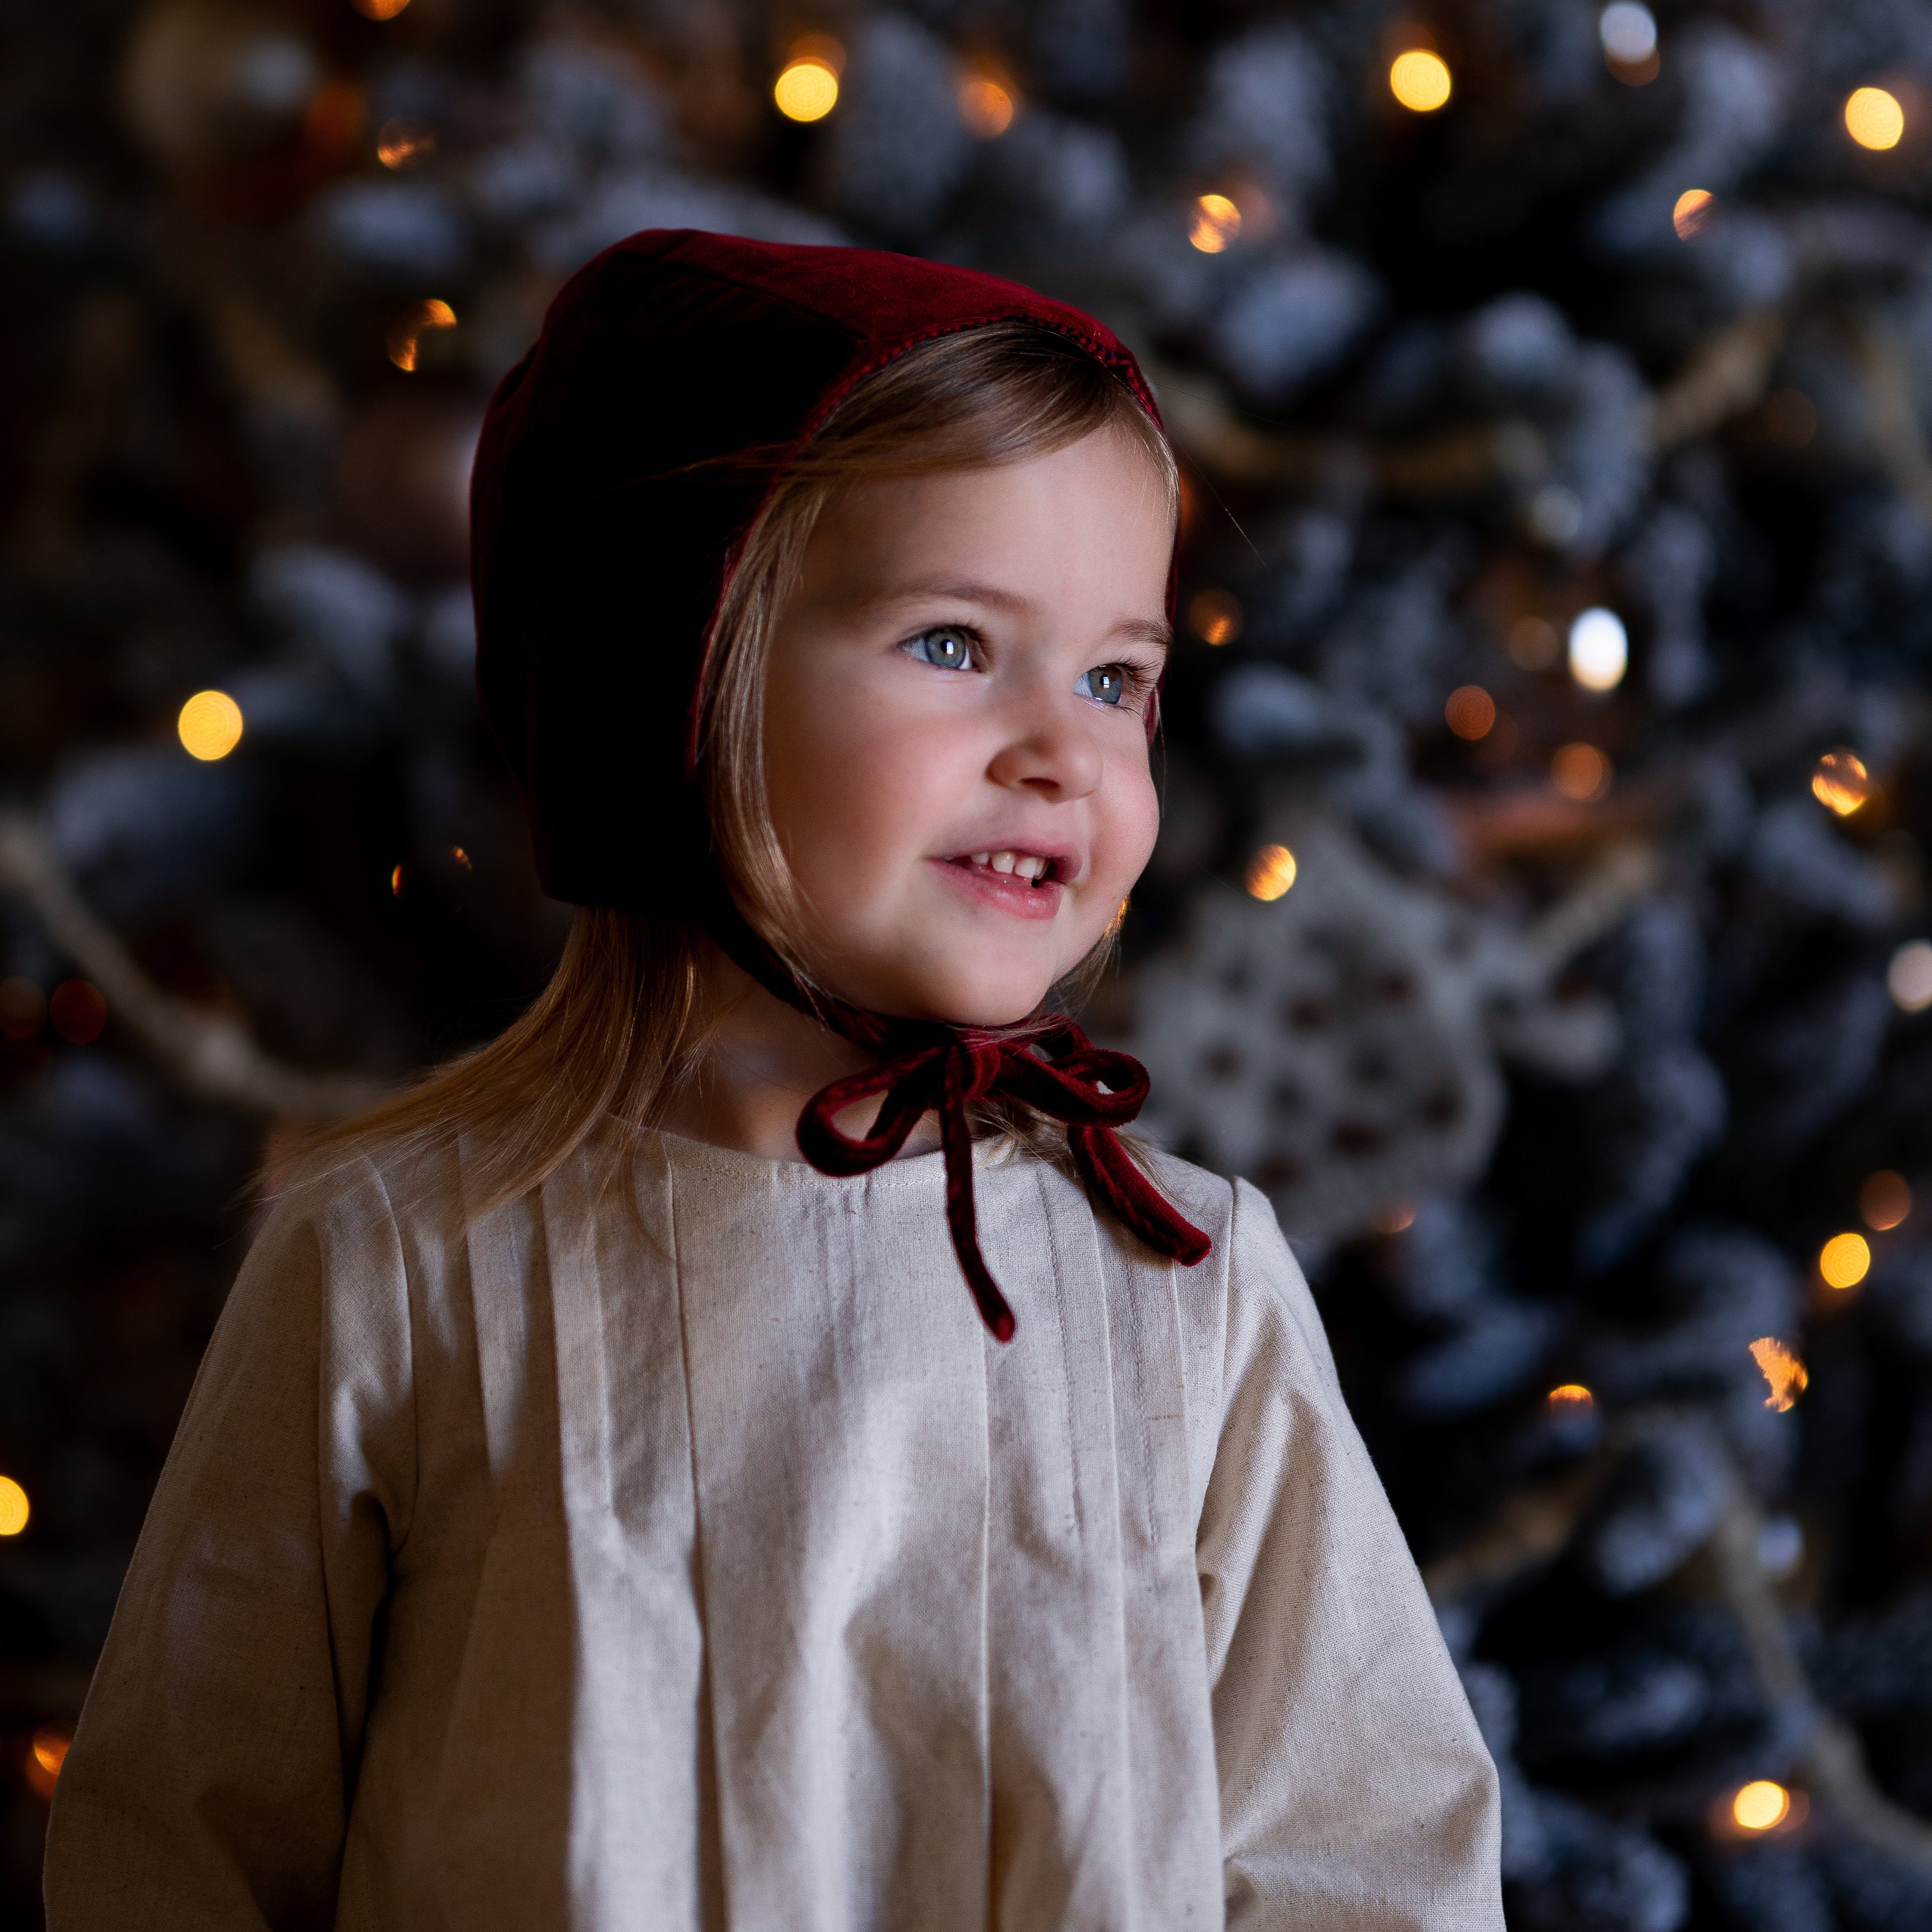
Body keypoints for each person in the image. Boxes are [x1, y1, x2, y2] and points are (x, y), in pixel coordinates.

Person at [44, 230, 1502, 1930]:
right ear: (677, 678)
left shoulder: (1181, 1280)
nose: (1067, 748)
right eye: (954, 643)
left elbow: (1366, 1856)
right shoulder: (406, 1260)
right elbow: (185, 1846)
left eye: (1119, 676)